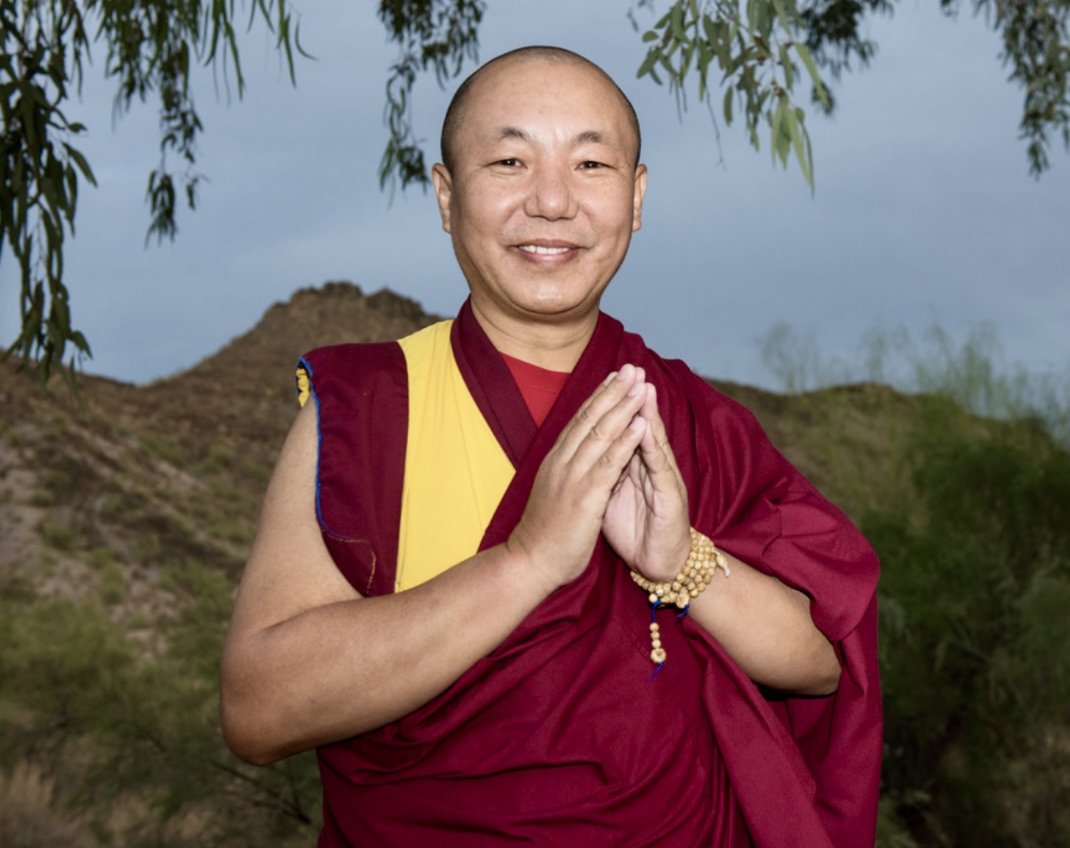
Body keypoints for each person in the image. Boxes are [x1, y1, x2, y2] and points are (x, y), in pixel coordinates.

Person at [220, 46, 881, 846]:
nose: (553, 201)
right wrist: (525, 562)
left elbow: (822, 663)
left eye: (591, 163)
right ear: (445, 193)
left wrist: (683, 563)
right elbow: (259, 710)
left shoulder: (694, 419)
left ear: (636, 198)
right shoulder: (366, 408)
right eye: (509, 160)